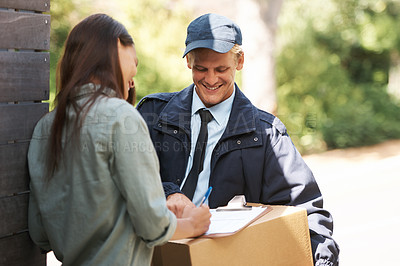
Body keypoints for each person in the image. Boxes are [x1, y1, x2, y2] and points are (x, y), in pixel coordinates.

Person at [137, 13, 339, 265]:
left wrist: (323, 261)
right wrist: (168, 193)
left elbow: (305, 210)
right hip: (150, 253)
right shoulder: (152, 114)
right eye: (201, 68)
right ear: (189, 61)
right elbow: (123, 179)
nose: (211, 79)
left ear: (239, 61)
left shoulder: (267, 134)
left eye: (221, 69)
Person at [27, 13, 211, 266]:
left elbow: (40, 233)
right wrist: (192, 224)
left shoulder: (45, 127)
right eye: (133, 62)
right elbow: (152, 227)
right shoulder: (121, 117)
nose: (132, 80)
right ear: (115, 45)